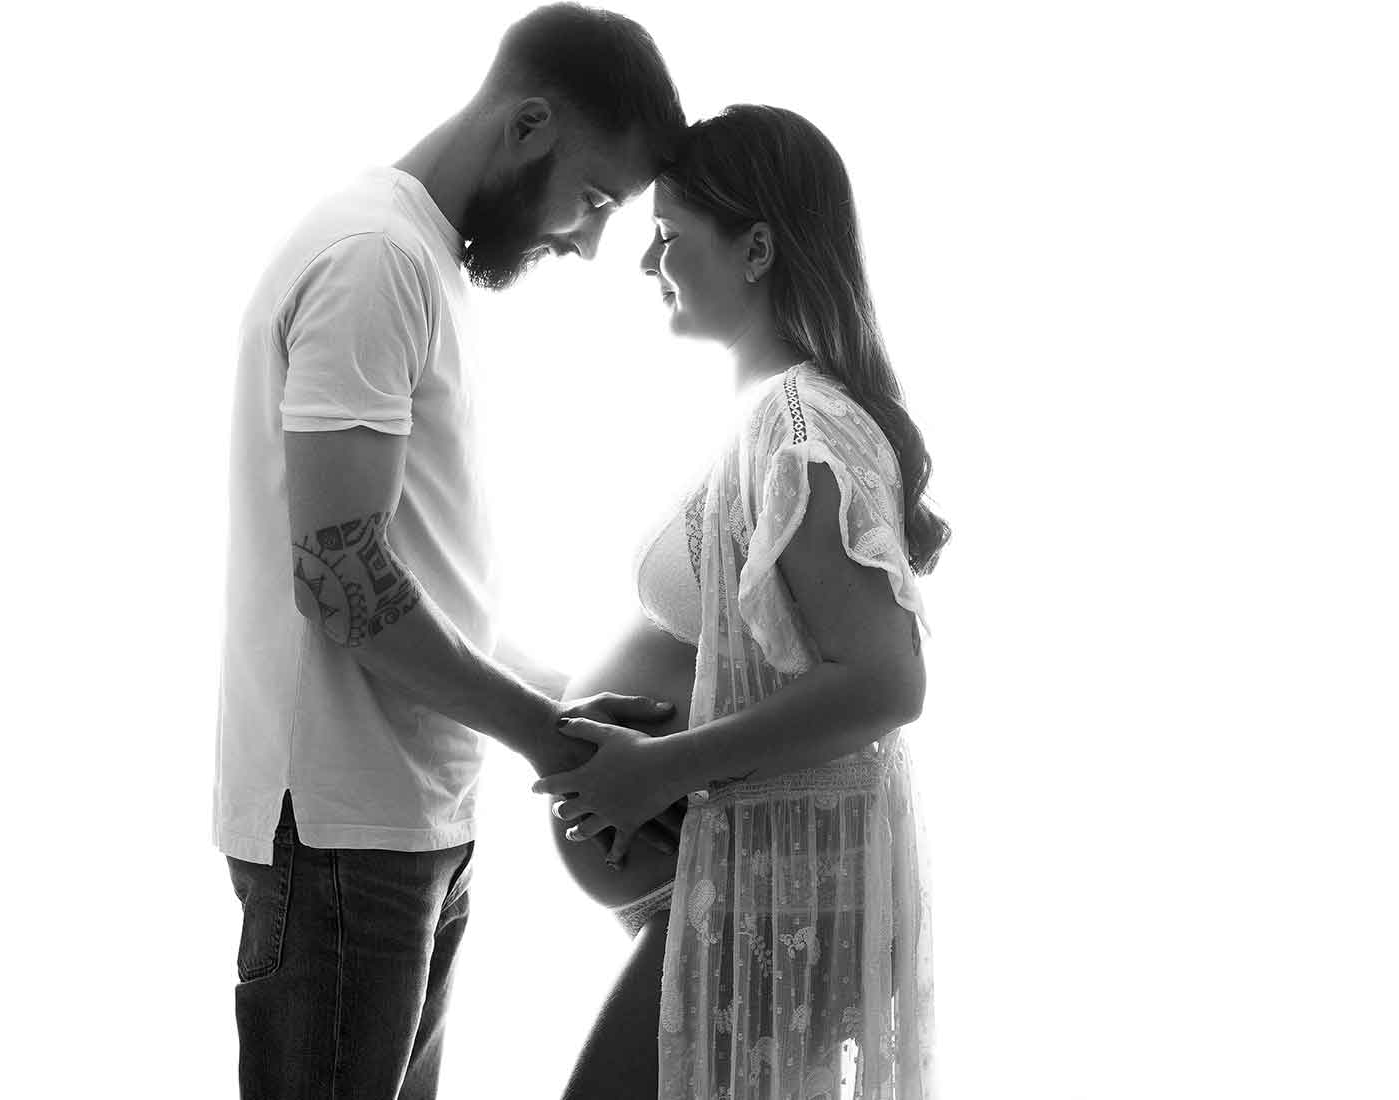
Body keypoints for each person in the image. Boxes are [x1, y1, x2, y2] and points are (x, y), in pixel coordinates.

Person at [210, 6, 684, 1098]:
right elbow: (345, 581)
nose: (586, 238)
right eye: (598, 198)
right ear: (527, 123)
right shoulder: (377, 257)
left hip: (402, 819)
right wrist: (552, 739)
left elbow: (416, 572)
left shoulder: (418, 258)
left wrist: (567, 699)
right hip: (341, 835)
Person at [535, 105, 948, 1099]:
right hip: (737, 875)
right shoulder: (758, 420)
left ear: (755, 247)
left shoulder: (799, 426)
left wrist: (656, 769)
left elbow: (886, 682)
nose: (646, 263)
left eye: (670, 237)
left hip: (788, 889)